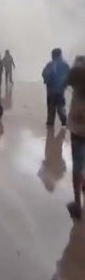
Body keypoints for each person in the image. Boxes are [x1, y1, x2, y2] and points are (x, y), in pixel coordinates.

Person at [66, 57, 85, 219]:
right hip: (78, 131)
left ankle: (77, 205)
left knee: (77, 166)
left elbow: (77, 115)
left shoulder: (78, 89)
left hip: (78, 133)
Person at [42, 48, 69, 127]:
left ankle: (50, 122)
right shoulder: (65, 65)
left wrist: (46, 80)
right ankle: (63, 120)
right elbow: (69, 75)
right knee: (60, 106)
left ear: (53, 55)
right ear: (60, 55)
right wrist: (65, 84)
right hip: (60, 90)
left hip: (51, 89)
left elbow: (44, 74)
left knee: (51, 106)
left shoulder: (50, 65)